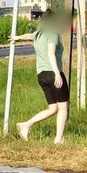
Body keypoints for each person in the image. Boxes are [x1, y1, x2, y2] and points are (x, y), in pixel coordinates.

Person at [11, 9, 69, 144]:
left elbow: (28, 35)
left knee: (53, 108)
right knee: (63, 108)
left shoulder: (38, 34)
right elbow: (51, 54)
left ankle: (26, 124)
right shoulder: (52, 33)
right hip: (52, 73)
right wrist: (57, 74)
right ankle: (59, 139)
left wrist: (16, 38)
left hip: (41, 75)